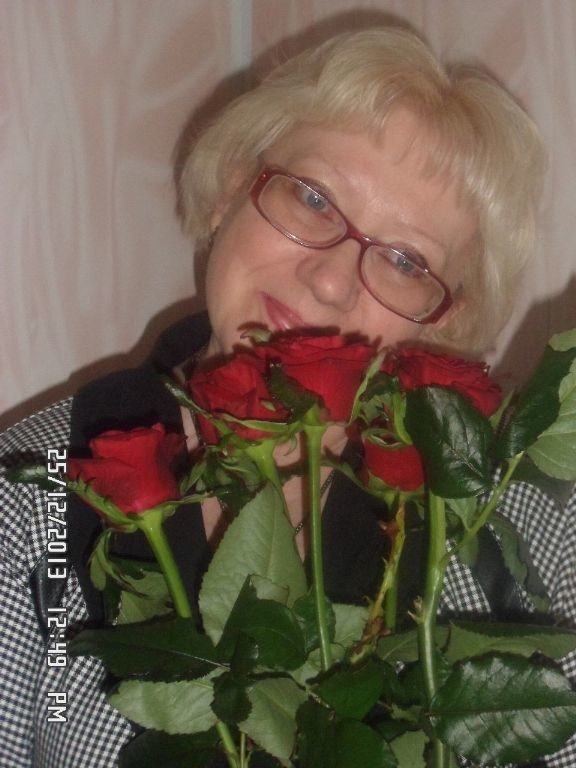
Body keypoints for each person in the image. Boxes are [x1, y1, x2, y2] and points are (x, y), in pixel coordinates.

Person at [1, 26, 573, 768]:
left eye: (405, 261)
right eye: (313, 199)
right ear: (231, 190)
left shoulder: (523, 530)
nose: (330, 281)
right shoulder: (29, 506)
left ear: (442, 321)